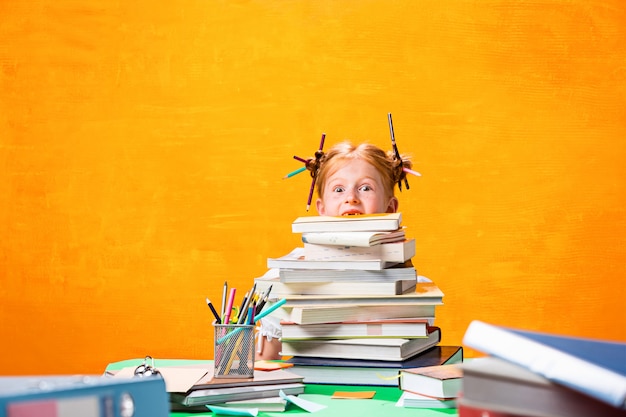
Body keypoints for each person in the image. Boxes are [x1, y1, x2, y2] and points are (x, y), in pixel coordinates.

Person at [255, 141, 414, 360]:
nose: (351, 198)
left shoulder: (405, 282)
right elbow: (265, 363)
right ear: (322, 209)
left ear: (390, 209)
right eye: (339, 190)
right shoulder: (288, 279)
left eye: (365, 188)